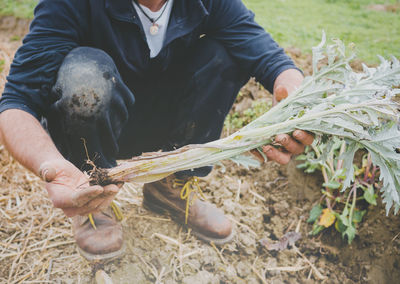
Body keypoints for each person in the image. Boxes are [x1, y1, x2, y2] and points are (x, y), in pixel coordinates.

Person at [0, 0, 313, 260]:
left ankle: (172, 185)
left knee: (228, 53)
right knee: (85, 73)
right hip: (99, 124)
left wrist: (294, 98)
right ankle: (91, 195)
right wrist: (51, 165)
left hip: (167, 126)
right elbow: (16, 101)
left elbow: (270, 58)